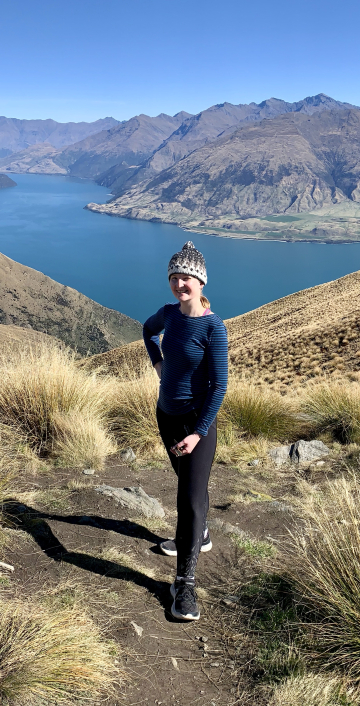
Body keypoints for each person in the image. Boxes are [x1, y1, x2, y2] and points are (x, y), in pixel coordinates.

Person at [143, 241, 228, 622]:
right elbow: (148, 331)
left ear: (201, 282)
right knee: (185, 484)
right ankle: (201, 536)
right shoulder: (168, 315)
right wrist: (158, 364)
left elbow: (219, 387)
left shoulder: (213, 328)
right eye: (175, 277)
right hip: (166, 417)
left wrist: (197, 432)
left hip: (197, 424)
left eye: (187, 277)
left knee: (190, 499)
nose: (180, 283)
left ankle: (184, 584)